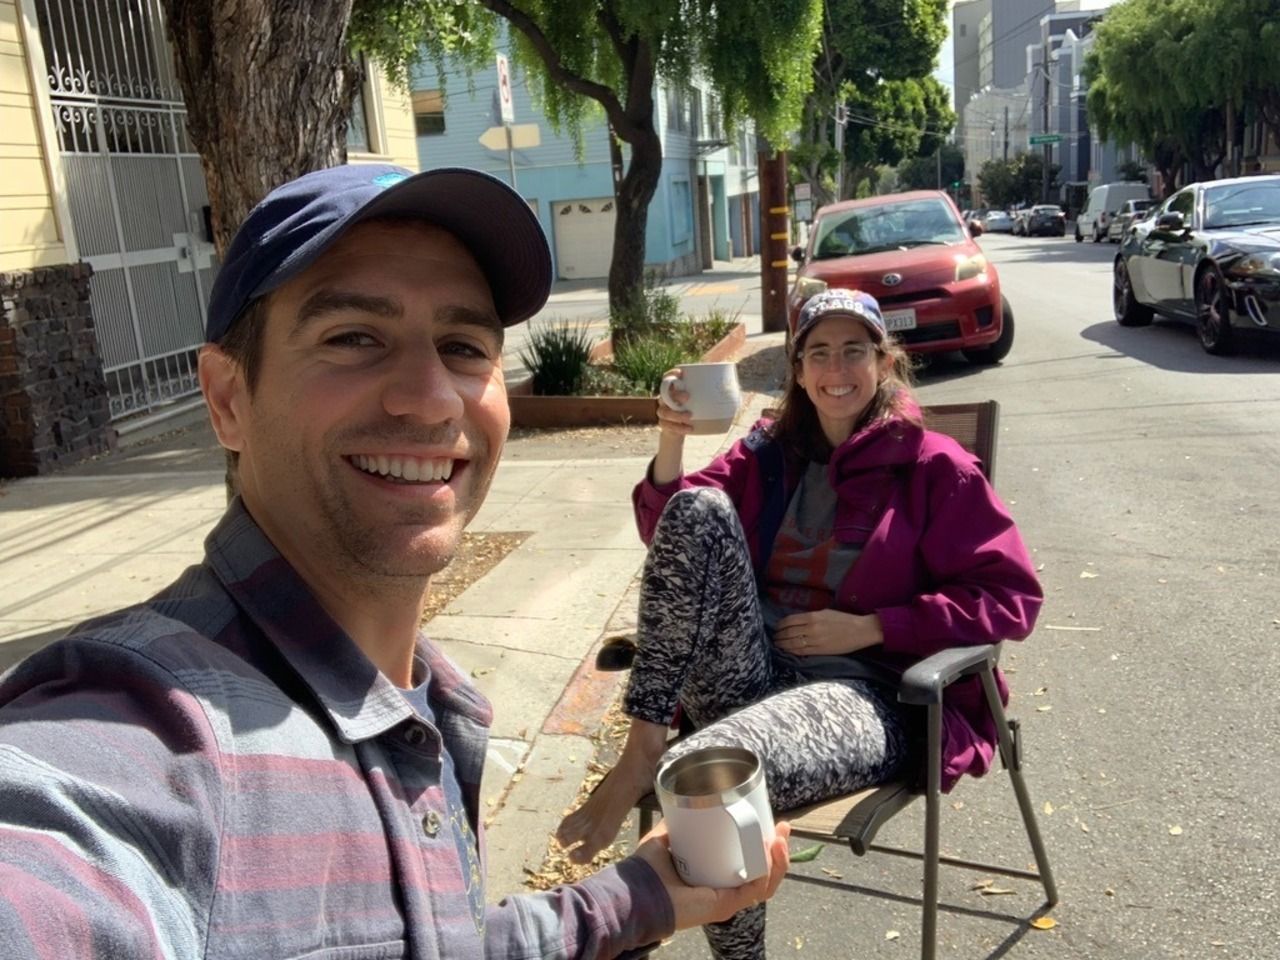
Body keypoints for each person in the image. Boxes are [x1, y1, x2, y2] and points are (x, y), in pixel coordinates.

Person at [0, 164, 790, 958]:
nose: (431, 395)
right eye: (353, 338)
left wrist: (640, 896)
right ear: (227, 400)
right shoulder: (144, 737)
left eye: (463, 346)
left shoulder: (427, 706)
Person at [556, 288, 1043, 959]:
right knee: (698, 510)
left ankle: (666, 928)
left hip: (868, 692)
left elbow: (1011, 597)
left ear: (883, 361)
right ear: (798, 368)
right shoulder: (771, 455)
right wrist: (670, 436)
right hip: (756, 668)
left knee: (704, 771)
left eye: (853, 351)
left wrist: (874, 626)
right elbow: (668, 533)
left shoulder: (935, 467)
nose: (835, 369)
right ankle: (642, 745)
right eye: (819, 352)